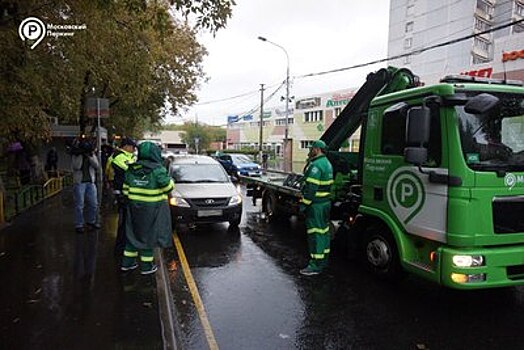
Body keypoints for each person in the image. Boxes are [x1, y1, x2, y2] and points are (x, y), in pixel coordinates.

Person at [121, 141, 174, 275]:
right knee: (148, 237)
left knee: (133, 235)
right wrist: (171, 179)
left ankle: (127, 264)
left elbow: (125, 190)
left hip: (134, 208)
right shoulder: (158, 170)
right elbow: (168, 188)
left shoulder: (131, 168)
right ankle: (146, 267)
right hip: (152, 210)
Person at [299, 140, 334, 276]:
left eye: (312, 148)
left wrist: (303, 205)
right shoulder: (327, 163)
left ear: (318, 149)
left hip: (316, 205)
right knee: (324, 232)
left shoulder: (316, 165)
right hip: (325, 203)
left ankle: (315, 265)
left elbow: (311, 189)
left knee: (315, 234)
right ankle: (323, 261)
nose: (310, 150)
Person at [110, 137, 137, 254]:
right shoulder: (118, 156)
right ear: (126, 146)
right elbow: (129, 171)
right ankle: (121, 247)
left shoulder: (128, 156)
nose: (134, 149)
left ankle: (125, 244)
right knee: (124, 221)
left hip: (128, 192)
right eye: (132, 147)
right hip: (122, 193)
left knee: (128, 220)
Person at [71, 139, 100, 233]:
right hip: (79, 182)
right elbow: (76, 166)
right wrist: (81, 155)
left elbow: (96, 165)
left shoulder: (91, 154)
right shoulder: (76, 154)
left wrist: (90, 156)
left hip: (90, 182)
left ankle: (91, 222)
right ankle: (79, 224)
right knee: (79, 204)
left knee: (93, 203)